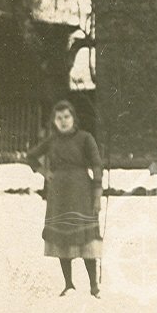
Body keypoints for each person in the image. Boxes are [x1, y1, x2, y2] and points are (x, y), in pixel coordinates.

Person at [24, 100, 104, 297]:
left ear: (73, 118)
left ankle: (93, 286)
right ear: (54, 121)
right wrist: (45, 173)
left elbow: (96, 164)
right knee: (62, 238)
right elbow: (31, 156)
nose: (63, 121)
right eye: (59, 118)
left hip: (82, 192)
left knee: (86, 239)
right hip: (58, 195)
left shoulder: (85, 138)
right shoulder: (51, 140)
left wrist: (97, 191)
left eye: (67, 117)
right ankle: (69, 284)